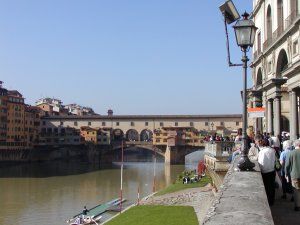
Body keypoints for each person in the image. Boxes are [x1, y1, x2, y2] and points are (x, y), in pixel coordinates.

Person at [258, 136, 276, 206]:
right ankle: (272, 201)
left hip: (265, 171)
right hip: (272, 170)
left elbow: (261, 162)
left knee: (266, 187)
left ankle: (267, 201)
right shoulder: (272, 150)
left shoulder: (262, 152)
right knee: (271, 186)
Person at [285, 139, 300, 211]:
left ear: (295, 145)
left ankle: (297, 206)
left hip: (294, 174)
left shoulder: (291, 153)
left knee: (296, 190)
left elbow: (287, 165)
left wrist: (286, 173)